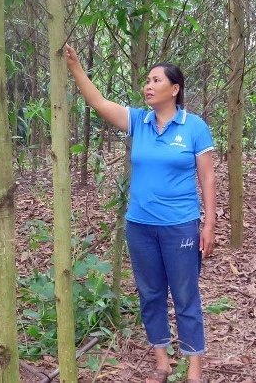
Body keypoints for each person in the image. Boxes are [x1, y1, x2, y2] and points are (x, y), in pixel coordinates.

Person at [64, 44, 216, 383]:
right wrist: (76, 69)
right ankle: (161, 362)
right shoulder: (139, 121)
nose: (148, 86)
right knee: (150, 294)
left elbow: (206, 177)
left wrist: (209, 223)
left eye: (156, 80)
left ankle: (194, 369)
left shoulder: (194, 127)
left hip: (181, 226)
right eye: (147, 80)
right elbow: (98, 103)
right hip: (141, 226)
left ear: (174, 89)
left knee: (185, 294)